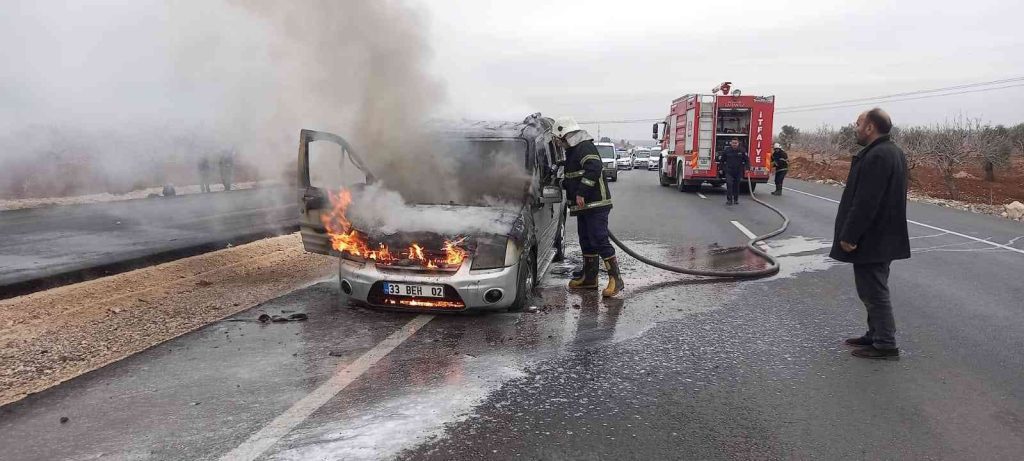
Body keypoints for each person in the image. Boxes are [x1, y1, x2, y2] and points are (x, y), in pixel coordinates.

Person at [831, 108, 910, 361]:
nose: (855, 128)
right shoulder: (892, 151)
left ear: (870, 127)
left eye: (858, 124)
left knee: (873, 291)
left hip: (873, 237)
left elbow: (866, 201)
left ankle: (885, 344)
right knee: (872, 288)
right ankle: (875, 334)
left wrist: (850, 235)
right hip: (883, 236)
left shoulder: (878, 156)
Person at [553, 116, 623, 297]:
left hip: (595, 203)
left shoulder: (584, 146)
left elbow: (594, 167)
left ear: (564, 135)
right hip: (585, 206)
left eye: (558, 140)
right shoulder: (573, 150)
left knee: (599, 239)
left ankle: (616, 280)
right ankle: (590, 278)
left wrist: (581, 192)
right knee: (586, 240)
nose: (558, 144)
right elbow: (574, 176)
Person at [717, 137, 749, 205]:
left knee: (736, 185)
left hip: (738, 171)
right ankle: (729, 200)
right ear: (731, 143)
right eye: (733, 143)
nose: (734, 144)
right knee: (729, 184)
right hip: (729, 171)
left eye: (735, 143)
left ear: (738, 143)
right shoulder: (727, 150)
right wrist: (720, 169)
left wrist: (747, 168)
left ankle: (736, 199)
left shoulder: (742, 150)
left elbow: (747, 160)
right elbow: (722, 160)